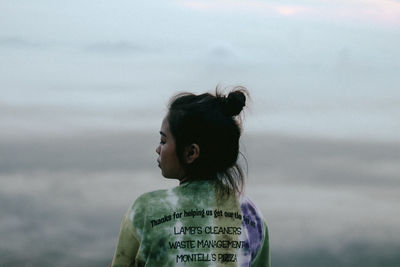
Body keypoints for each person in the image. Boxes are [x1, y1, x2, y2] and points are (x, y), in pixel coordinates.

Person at [111, 86, 270, 267]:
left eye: (163, 141)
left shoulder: (145, 210)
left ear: (191, 153)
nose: (158, 149)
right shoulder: (252, 216)